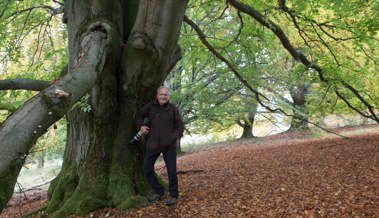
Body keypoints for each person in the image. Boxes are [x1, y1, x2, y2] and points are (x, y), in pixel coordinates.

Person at [135, 86, 184, 206]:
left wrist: (172, 138)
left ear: (168, 96)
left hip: (169, 146)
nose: (163, 97)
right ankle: (159, 191)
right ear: (157, 95)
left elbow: (180, 126)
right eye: (161, 94)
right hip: (153, 144)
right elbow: (138, 115)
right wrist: (141, 126)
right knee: (147, 169)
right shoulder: (150, 107)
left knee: (172, 171)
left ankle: (173, 195)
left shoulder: (173, 109)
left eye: (165, 95)